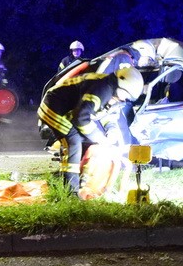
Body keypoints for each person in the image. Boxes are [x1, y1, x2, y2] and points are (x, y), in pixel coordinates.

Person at [37, 66, 144, 196]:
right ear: (123, 86)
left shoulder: (111, 89)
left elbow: (106, 114)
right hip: (54, 107)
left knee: (85, 141)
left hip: (69, 110)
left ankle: (78, 177)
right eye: (126, 97)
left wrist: (111, 131)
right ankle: (71, 193)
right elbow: (81, 117)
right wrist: (100, 138)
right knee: (73, 143)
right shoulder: (102, 89)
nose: (124, 100)